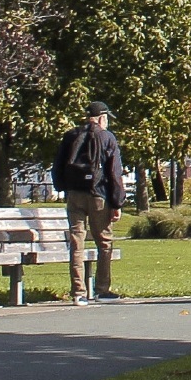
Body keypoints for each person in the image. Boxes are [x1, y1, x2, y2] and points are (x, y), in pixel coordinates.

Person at [53, 100, 125, 305]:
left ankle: (78, 292)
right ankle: (102, 290)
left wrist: (63, 188)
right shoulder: (106, 137)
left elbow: (58, 165)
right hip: (98, 196)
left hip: (74, 195)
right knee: (104, 242)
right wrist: (117, 202)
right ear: (102, 118)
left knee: (77, 242)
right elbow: (114, 173)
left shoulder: (71, 136)